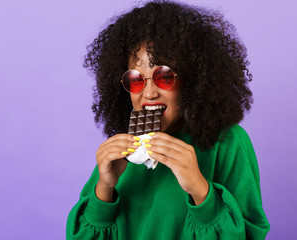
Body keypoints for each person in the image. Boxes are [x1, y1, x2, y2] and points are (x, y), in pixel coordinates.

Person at [66, 1, 270, 239]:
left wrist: (199, 188)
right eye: (136, 79)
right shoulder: (123, 151)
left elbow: (248, 235)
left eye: (164, 77)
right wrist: (105, 186)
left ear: (193, 80)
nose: (149, 93)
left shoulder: (228, 142)